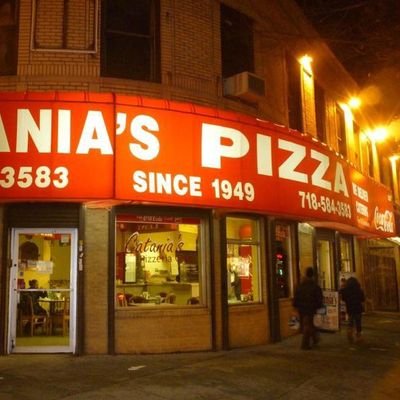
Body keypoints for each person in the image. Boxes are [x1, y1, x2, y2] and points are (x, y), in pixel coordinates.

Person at [293, 267, 323, 350]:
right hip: (310, 308)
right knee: (308, 325)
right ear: (313, 275)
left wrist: (296, 306)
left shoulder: (300, 286)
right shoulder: (315, 286)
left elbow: (296, 297)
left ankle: (314, 339)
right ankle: (305, 344)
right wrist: (318, 306)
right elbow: (319, 299)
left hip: (302, 308)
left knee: (308, 324)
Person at [339, 276, 365, 343]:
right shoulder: (359, 290)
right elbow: (363, 299)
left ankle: (350, 335)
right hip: (358, 308)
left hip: (350, 308)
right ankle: (359, 337)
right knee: (358, 323)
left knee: (350, 322)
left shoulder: (346, 290)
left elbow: (343, 298)